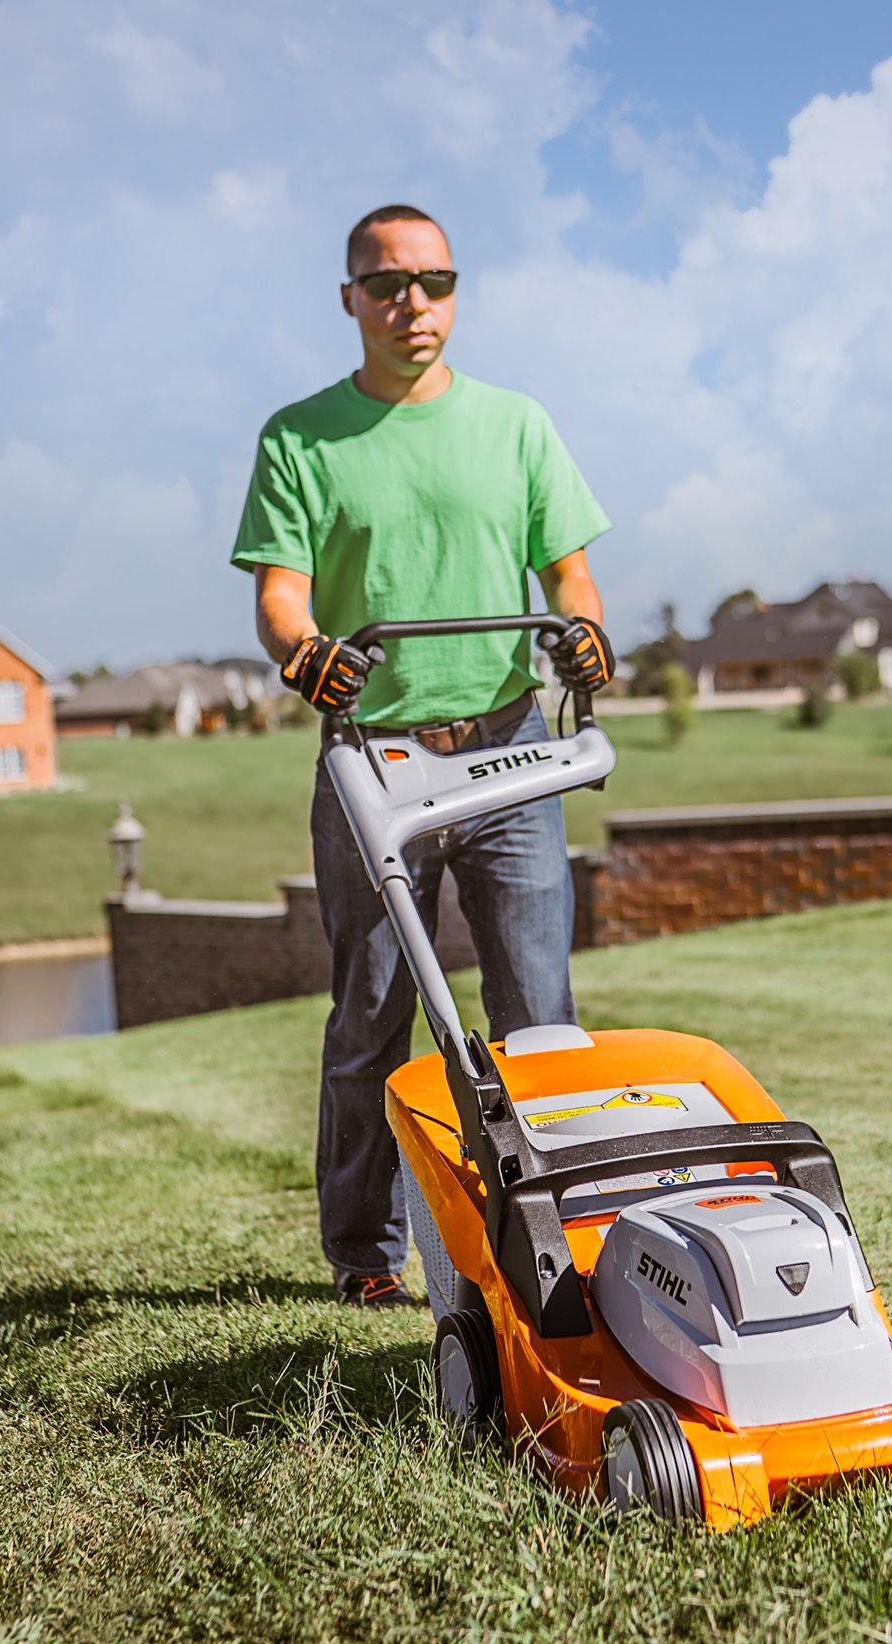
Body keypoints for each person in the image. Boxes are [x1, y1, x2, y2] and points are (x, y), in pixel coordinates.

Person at [231, 203, 615, 1309]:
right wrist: (304, 656)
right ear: (349, 298)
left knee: (537, 1012)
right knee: (372, 1009)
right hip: (376, 764)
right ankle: (365, 1255)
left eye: (436, 281)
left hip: (507, 751)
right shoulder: (300, 438)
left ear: (455, 293)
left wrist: (584, 627)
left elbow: (570, 574)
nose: (415, 302)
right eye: (390, 283)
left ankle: (556, 1236)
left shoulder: (517, 424)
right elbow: (280, 595)